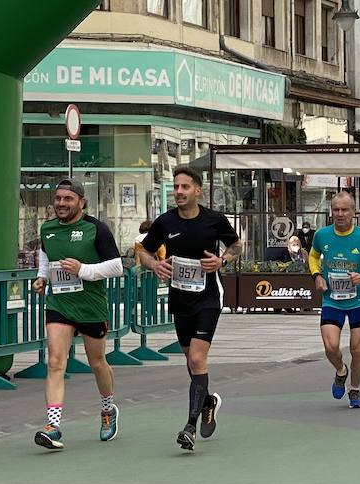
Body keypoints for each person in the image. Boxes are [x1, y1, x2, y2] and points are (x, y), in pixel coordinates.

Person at [138, 167, 241, 451]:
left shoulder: (213, 220)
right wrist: (154, 265)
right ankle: (207, 400)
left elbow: (236, 245)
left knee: (197, 359)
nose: (179, 192)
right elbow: (144, 251)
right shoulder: (165, 221)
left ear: (198, 190)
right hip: (180, 297)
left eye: (185, 187)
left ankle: (189, 427)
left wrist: (222, 261)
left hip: (208, 297)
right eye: (176, 187)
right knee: (190, 360)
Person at [31, 180, 124, 450]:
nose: (61, 203)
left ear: (81, 202)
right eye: (58, 198)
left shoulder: (96, 228)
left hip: (91, 306)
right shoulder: (47, 229)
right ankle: (53, 425)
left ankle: (108, 409)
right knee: (55, 362)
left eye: (68, 199)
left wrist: (84, 270)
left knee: (97, 363)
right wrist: (41, 278)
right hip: (59, 304)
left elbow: (117, 266)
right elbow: (47, 257)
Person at [311, 191, 360, 406]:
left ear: (354, 212)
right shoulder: (322, 235)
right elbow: (313, 256)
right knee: (330, 347)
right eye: (336, 209)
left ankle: (354, 389)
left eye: (345, 210)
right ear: (331, 212)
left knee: (357, 349)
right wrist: (317, 276)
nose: (340, 214)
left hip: (359, 300)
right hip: (332, 299)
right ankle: (341, 371)